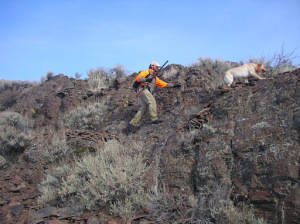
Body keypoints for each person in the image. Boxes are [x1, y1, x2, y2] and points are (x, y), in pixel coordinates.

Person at [127, 61, 180, 133]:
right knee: (152, 101)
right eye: (156, 66)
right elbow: (138, 78)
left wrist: (174, 85)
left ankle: (132, 124)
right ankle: (154, 119)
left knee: (144, 107)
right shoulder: (146, 72)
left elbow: (164, 84)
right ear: (152, 66)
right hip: (142, 89)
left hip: (142, 91)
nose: (158, 68)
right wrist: (146, 79)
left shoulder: (154, 77)